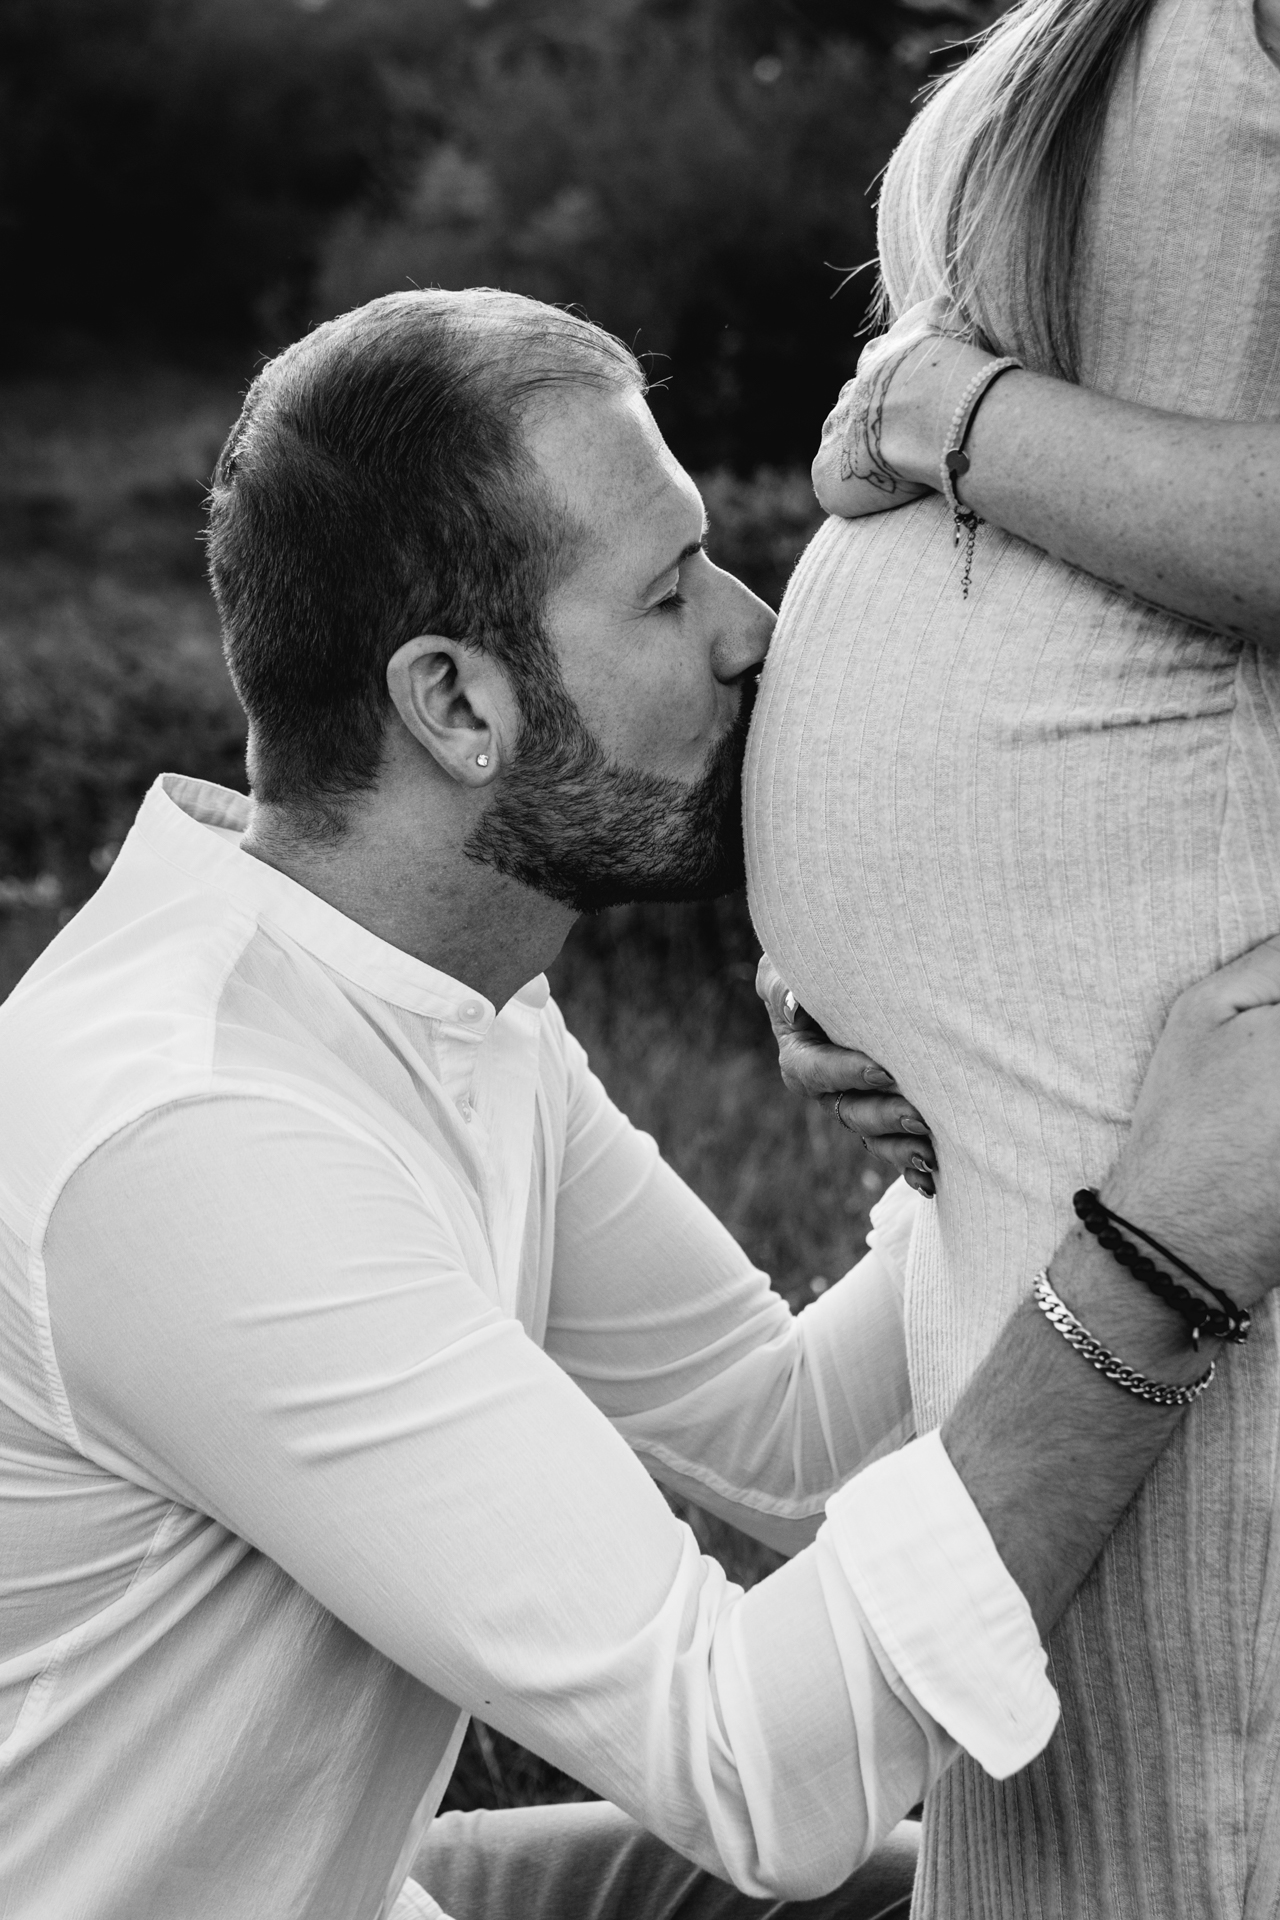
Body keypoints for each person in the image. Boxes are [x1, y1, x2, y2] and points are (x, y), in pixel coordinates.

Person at [1, 289, 1278, 1920]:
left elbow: (783, 1441)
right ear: (456, 705)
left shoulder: (441, 999)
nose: (753, 627)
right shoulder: (199, 1141)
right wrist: (1162, 1253)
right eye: (670, 592)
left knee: (939, 1894)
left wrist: (995, 1112)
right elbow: (748, 1767)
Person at [744, 0, 1280, 1913]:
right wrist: (859, 947)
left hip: (1202, 1111)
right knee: (1047, 1760)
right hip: (1037, 1145)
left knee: (1189, 1770)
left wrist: (941, 411)